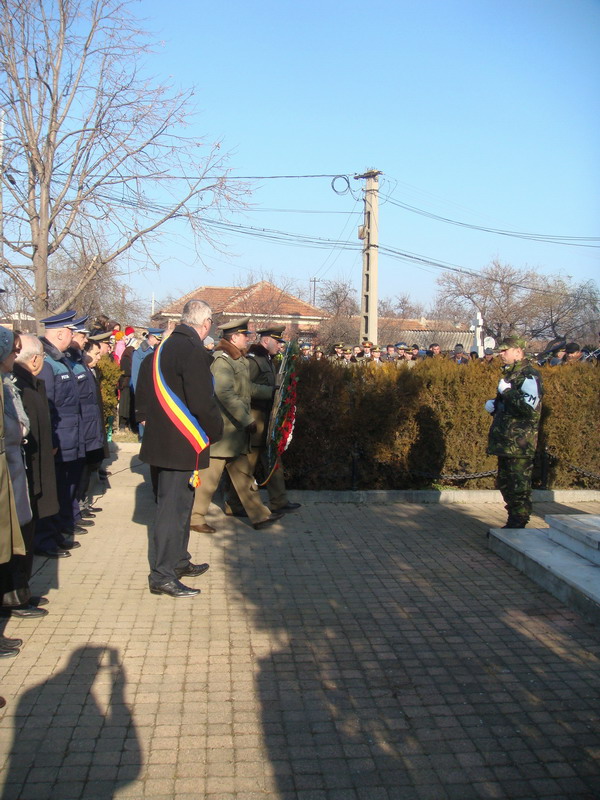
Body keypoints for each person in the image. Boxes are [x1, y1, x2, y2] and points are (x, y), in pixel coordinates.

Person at [136, 299, 224, 598]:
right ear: (206, 323)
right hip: (182, 443)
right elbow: (202, 401)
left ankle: (179, 561)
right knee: (172, 511)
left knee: (180, 506)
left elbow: (144, 391)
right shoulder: (192, 350)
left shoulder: (163, 348)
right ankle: (163, 575)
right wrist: (215, 431)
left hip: (163, 442)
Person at [190, 318, 283, 533]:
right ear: (233, 338)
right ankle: (195, 518)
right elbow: (224, 393)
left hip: (235, 432)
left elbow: (247, 388)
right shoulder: (222, 361)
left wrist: (273, 392)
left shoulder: (237, 359)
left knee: (244, 475)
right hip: (223, 430)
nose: (247, 339)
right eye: (244, 335)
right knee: (209, 479)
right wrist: (247, 419)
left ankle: (259, 515)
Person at [225, 325, 300, 518]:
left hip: (267, 419)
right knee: (247, 465)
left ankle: (279, 501)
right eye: (277, 341)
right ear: (266, 341)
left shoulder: (266, 359)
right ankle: (234, 504)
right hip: (255, 419)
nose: (280, 346)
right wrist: (271, 392)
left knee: (272, 459)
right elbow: (244, 387)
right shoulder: (254, 361)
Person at [12, 334, 60, 604]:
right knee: (20, 539)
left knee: (27, 536)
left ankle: (21, 591)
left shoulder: (29, 384)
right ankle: (15, 596)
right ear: (34, 360)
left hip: (31, 474)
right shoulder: (18, 387)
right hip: (24, 474)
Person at [36, 311, 87, 557]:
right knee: (52, 489)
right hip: (57, 437)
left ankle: (55, 533)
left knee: (62, 487)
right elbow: (46, 406)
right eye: (70, 332)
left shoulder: (60, 359)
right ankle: (45, 539)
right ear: (59, 334)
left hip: (68, 435)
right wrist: (50, 440)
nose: (73, 336)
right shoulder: (46, 363)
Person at [0, 327, 42, 619]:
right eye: (13, 351)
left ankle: (16, 592)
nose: (16, 357)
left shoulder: (6, 383)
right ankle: (10, 597)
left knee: (15, 537)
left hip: (13, 469)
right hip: (7, 469)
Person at [485, 335, 543, 529]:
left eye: (505, 350)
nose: (501, 354)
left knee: (518, 486)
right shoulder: (511, 374)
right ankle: (513, 520)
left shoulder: (529, 375)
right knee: (505, 483)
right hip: (507, 440)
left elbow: (529, 409)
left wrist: (507, 392)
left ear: (518, 352)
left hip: (520, 442)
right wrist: (496, 405)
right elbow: (511, 407)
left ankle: (518, 523)